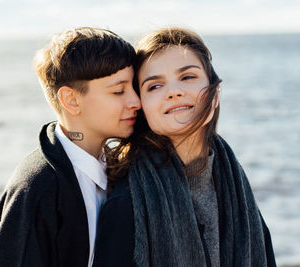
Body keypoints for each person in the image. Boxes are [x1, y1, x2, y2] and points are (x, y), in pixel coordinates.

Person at [93, 27, 276, 267]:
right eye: (154, 86)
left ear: (216, 91)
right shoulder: (127, 205)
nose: (174, 92)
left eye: (188, 77)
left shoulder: (235, 187)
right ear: (142, 108)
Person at [0, 27, 141, 267]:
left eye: (135, 88)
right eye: (118, 91)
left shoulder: (122, 169)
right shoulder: (36, 188)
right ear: (71, 100)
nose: (136, 102)